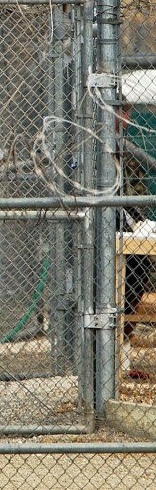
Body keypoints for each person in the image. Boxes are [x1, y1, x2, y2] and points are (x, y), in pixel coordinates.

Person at [116, 99, 155, 380]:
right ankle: (117, 363)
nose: (126, 116)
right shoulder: (98, 143)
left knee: (137, 278)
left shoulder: (127, 146)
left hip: (129, 225)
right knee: (120, 288)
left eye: (128, 111)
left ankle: (123, 363)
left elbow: (137, 191)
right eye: (120, 110)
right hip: (111, 228)